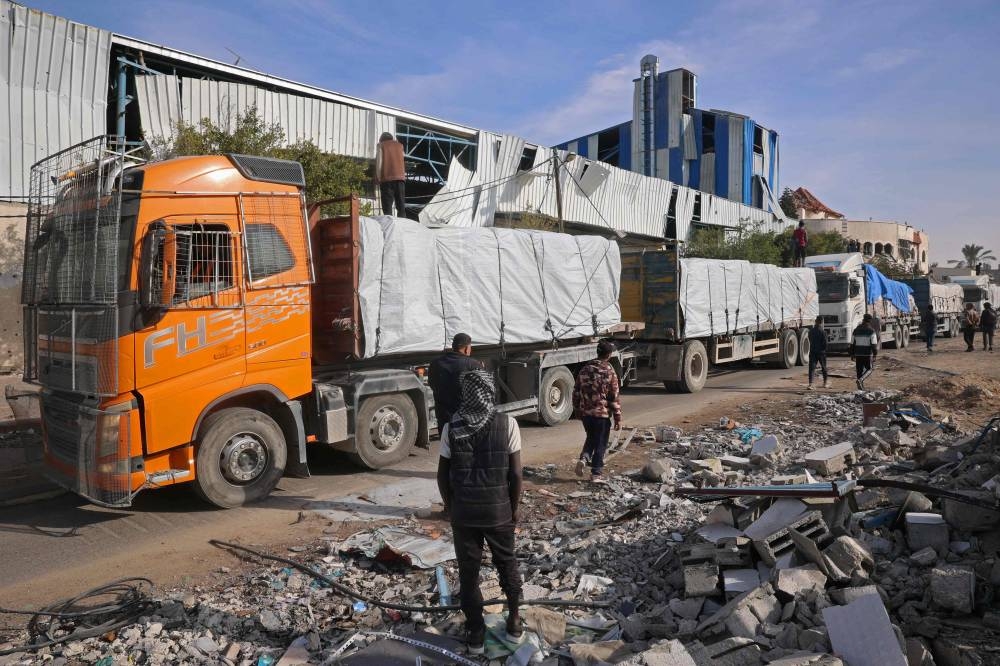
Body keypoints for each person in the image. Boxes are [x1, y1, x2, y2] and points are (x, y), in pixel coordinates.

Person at [436, 370, 523, 654]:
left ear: (466, 392)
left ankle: (475, 633)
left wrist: (451, 507)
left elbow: (442, 475)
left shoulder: (452, 426)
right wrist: (513, 509)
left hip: (464, 515)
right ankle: (515, 622)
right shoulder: (507, 423)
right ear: (489, 391)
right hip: (499, 512)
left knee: (469, 574)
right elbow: (517, 475)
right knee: (506, 565)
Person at [572, 340, 622, 483]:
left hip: (586, 414)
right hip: (601, 415)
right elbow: (614, 397)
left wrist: (577, 410)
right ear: (609, 354)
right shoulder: (609, 371)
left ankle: (584, 458)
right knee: (601, 443)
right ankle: (596, 473)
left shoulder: (585, 369)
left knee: (591, 438)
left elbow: (576, 392)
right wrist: (618, 417)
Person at [428, 333, 482, 435]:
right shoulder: (472, 364)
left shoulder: (435, 363)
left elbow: (432, 384)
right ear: (466, 349)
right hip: (465, 421)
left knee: (447, 448)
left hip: (443, 419)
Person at [375, 132, 407, 217]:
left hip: (387, 179)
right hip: (400, 179)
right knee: (401, 206)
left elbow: (379, 162)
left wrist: (378, 177)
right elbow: (403, 158)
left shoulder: (381, 145)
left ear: (381, 139)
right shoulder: (400, 146)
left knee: (387, 207)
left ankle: (389, 227)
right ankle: (403, 226)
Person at [850, 314, 879, 390]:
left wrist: (852, 354)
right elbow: (874, 345)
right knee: (870, 369)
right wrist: (875, 355)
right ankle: (861, 380)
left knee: (859, 371)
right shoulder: (871, 331)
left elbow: (852, 344)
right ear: (870, 321)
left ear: (863, 320)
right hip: (867, 354)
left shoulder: (855, 330)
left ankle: (860, 389)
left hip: (858, 354)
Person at [807, 317, 830, 390]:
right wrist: (824, 350)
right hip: (821, 352)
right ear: (822, 322)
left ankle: (811, 384)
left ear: (816, 321)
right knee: (824, 368)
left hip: (813, 351)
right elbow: (825, 343)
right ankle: (825, 383)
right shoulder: (823, 332)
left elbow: (810, 339)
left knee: (812, 368)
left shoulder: (811, 331)